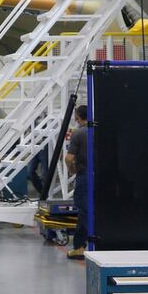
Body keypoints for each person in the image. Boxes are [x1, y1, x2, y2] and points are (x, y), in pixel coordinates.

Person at [64, 104, 89, 259]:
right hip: (100, 176)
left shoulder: (78, 134)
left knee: (83, 211)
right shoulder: (98, 131)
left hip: (84, 176)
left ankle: (79, 247)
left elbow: (69, 158)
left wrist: (71, 169)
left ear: (78, 116)